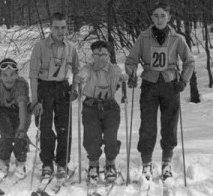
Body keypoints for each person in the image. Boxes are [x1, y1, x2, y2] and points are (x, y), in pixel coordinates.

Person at [125, 2, 195, 182]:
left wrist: (183, 81)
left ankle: (166, 163)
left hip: (171, 85)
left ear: (169, 17)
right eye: (155, 15)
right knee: (147, 125)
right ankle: (146, 164)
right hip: (149, 84)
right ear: (151, 18)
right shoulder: (143, 37)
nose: (159, 19)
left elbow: (189, 61)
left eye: (163, 15)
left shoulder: (177, 38)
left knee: (169, 124)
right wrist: (131, 73)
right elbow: (131, 59)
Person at [29, 12, 80, 179]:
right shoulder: (40, 46)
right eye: (56, 27)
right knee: (45, 127)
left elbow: (77, 70)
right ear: (50, 28)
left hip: (62, 87)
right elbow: (33, 74)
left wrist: (75, 88)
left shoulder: (71, 47)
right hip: (44, 87)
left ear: (67, 28)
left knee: (64, 127)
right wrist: (35, 101)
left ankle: (62, 162)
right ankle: (47, 163)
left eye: (63, 27)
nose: (60, 31)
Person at [74, 41, 128, 182]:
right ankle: (93, 164)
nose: (100, 58)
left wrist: (123, 78)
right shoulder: (88, 68)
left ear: (108, 55)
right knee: (92, 137)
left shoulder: (114, 68)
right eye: (97, 54)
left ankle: (110, 163)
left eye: (103, 54)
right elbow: (83, 74)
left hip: (110, 106)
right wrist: (80, 79)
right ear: (93, 56)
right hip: (91, 107)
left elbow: (119, 76)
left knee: (111, 136)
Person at [0, 58, 31, 181]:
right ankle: (4, 161)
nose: (9, 78)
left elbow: (23, 107)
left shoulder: (22, 84)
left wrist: (22, 128)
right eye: (5, 75)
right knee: (6, 136)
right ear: (0, 76)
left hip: (22, 112)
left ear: (17, 74)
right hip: (4, 112)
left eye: (12, 74)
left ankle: (21, 162)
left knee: (19, 136)